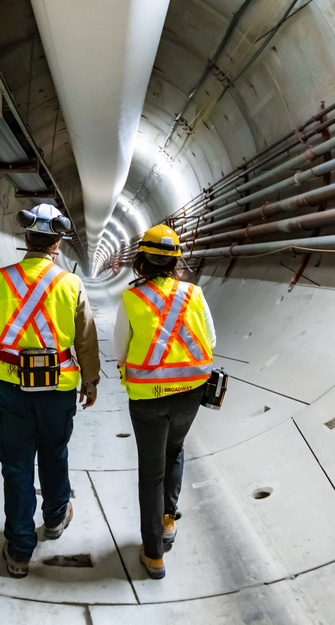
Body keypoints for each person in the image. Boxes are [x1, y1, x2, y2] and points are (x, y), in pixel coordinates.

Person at [0, 203, 100, 578]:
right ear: (57, 243)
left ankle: (20, 549)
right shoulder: (71, 284)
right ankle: (56, 518)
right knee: (54, 454)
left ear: (26, 239)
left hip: (11, 385)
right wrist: (89, 382)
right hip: (57, 387)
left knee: (16, 466)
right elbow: (86, 342)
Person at [114, 224, 215, 579]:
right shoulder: (194, 294)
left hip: (148, 400)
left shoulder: (131, 299)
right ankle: (168, 520)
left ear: (140, 260)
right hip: (191, 394)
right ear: (176, 261)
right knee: (175, 450)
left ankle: (154, 554)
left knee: (151, 473)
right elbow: (211, 340)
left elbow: (119, 351)